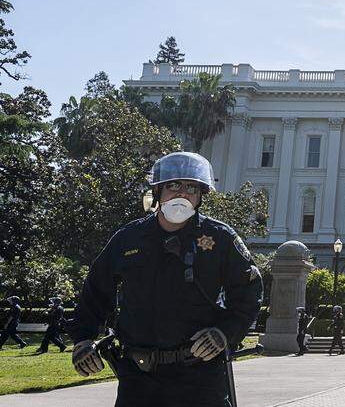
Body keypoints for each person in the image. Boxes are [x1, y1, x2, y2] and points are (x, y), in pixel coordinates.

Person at [66, 151, 262, 407]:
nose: (182, 194)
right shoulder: (129, 238)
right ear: (157, 191)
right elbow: (95, 291)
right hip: (138, 378)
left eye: (191, 187)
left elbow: (249, 293)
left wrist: (225, 333)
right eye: (173, 185)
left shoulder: (220, 238)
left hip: (199, 377)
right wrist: (83, 339)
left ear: (201, 194)